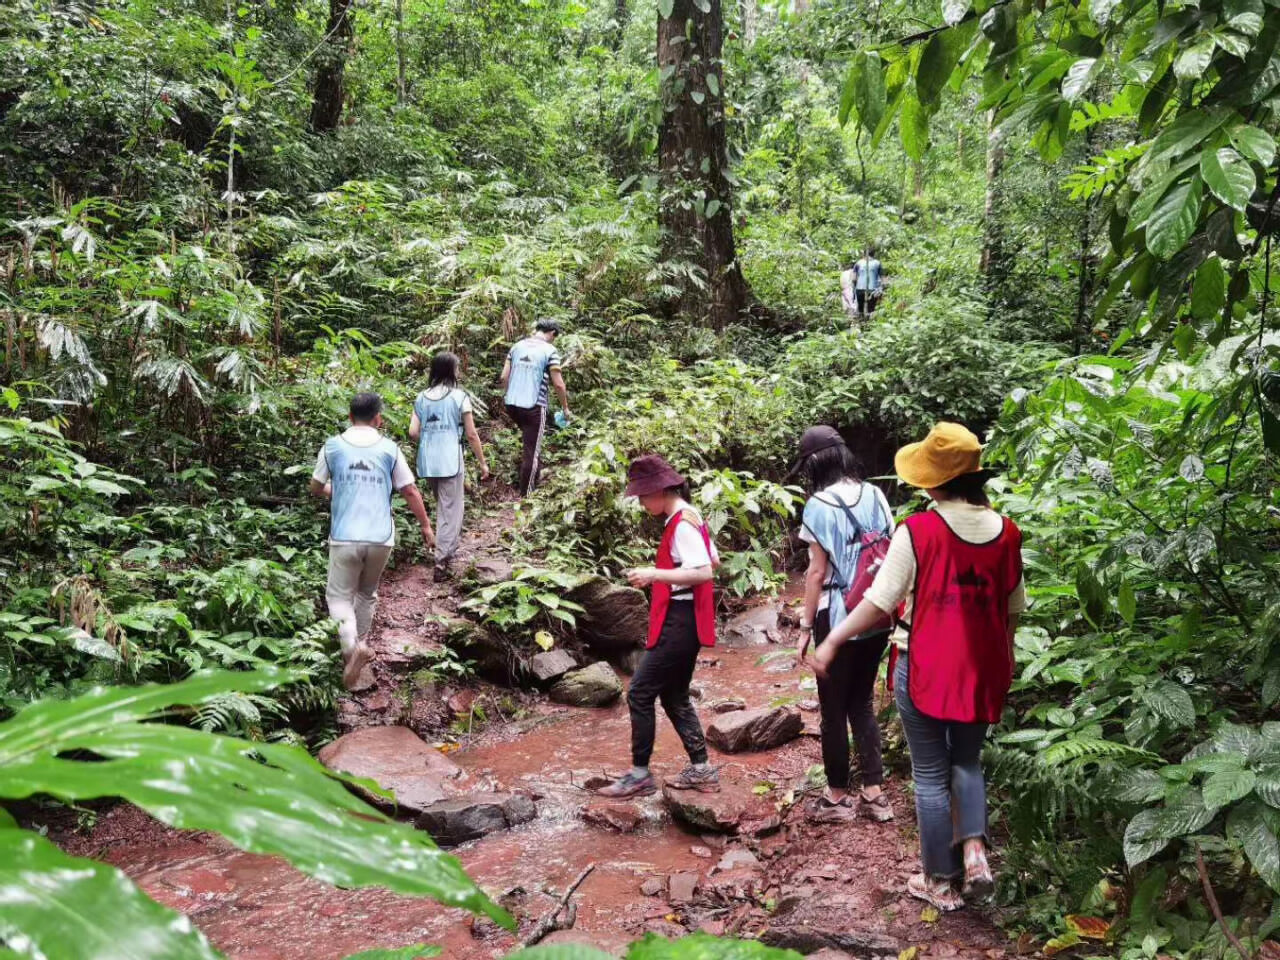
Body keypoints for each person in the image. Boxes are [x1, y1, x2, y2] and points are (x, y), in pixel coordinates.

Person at [812, 423, 1024, 913]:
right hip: (983, 669)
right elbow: (1012, 609)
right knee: (966, 761)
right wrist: (1007, 658)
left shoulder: (919, 531)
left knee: (929, 774)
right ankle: (974, 851)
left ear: (934, 481)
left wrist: (834, 639)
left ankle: (941, 882)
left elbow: (879, 601)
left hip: (925, 665)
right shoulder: (1007, 532)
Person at [598, 455, 721, 798]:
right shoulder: (690, 515)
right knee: (674, 695)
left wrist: (654, 574)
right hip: (688, 619)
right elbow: (713, 558)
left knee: (639, 692)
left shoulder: (681, 522)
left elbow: (704, 571)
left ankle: (640, 775)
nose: (641, 503)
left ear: (660, 490)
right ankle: (701, 769)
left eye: (642, 495)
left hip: (680, 620)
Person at [790, 426, 895, 824]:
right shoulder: (875, 494)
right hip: (877, 612)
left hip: (837, 616)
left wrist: (805, 628)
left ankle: (836, 796)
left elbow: (817, 573)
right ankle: (874, 793)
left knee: (833, 709)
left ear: (816, 464)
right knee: (861, 702)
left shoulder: (818, 505)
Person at [310, 392, 435, 690]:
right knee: (366, 593)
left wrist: (337, 490)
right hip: (381, 537)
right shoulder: (390, 449)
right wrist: (426, 526)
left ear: (350, 417)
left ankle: (351, 650)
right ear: (378, 419)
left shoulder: (332, 446)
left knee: (339, 598)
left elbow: (315, 487)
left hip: (345, 536)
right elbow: (409, 490)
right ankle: (361, 646)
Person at [409, 352, 491, 583]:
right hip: (450, 459)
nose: (458, 371)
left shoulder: (421, 397)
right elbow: (471, 434)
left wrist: (430, 440)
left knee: (443, 505)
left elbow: (413, 432)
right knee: (451, 509)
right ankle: (442, 559)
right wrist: (482, 463)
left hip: (428, 460)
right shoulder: (459, 396)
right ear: (450, 371)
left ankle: (445, 550)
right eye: (456, 367)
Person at [500, 319, 570, 496]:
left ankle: (534, 477)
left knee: (531, 443)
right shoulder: (550, 351)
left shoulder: (517, 346)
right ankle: (527, 495)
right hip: (534, 407)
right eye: (555, 337)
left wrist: (509, 395)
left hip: (512, 405)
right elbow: (558, 384)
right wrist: (565, 408)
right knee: (531, 451)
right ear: (552, 333)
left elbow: (504, 377)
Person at [852, 246, 884, 318]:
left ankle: (861, 320)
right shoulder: (878, 263)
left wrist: (854, 288)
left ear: (864, 254)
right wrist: (882, 288)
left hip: (860, 288)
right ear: (874, 254)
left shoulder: (858, 263)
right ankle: (869, 321)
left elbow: (853, 278)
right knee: (871, 309)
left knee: (860, 308)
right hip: (873, 289)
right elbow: (882, 279)